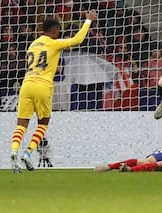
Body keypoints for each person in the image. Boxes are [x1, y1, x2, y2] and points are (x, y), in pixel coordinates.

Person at [10, 10, 97, 173]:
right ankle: (27, 153)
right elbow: (77, 40)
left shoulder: (33, 45)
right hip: (43, 86)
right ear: (55, 30)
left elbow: (41, 62)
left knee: (21, 124)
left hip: (27, 84)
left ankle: (14, 152)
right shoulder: (53, 42)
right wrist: (88, 21)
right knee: (43, 123)